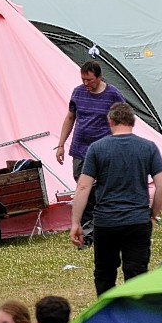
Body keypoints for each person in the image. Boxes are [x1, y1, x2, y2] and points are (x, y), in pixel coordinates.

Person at [73, 102, 162, 296]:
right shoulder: (148, 148)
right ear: (133, 122)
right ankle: (136, 316)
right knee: (137, 274)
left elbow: (83, 186)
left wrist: (76, 222)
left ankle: (107, 317)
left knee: (105, 273)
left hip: (106, 222)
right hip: (137, 220)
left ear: (110, 121)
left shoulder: (97, 149)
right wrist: (153, 213)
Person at [56, 60, 126, 243]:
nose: (86, 84)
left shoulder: (113, 95)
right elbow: (70, 117)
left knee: (103, 191)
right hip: (80, 149)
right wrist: (61, 144)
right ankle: (87, 233)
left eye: (89, 80)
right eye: (83, 79)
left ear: (99, 77)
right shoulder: (78, 92)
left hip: (104, 151)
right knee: (83, 190)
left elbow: (124, 121)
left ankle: (105, 229)